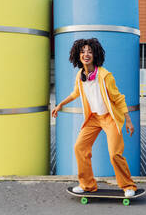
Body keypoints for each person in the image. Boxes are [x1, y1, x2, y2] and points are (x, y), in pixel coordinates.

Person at [52, 38, 137, 197]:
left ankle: (128, 186)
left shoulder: (105, 76)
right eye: (83, 51)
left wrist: (128, 121)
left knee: (114, 154)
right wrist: (60, 105)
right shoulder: (80, 75)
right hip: (93, 118)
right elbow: (75, 93)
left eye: (89, 51)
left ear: (95, 55)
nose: (86, 54)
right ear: (78, 55)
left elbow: (118, 98)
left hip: (109, 118)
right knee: (80, 147)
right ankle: (87, 185)